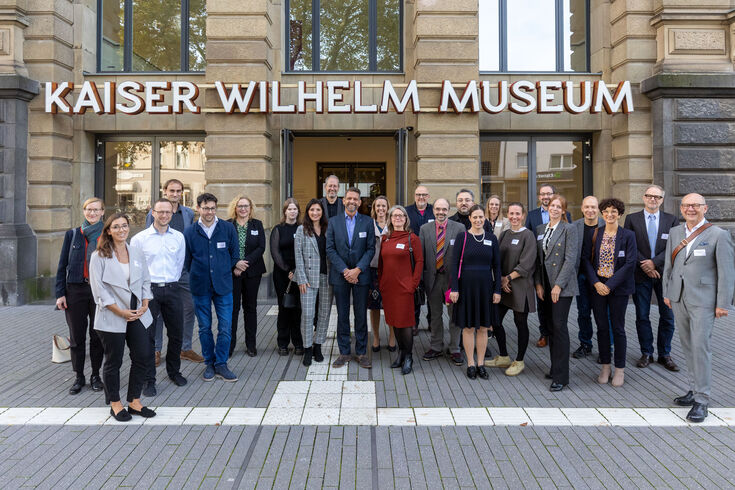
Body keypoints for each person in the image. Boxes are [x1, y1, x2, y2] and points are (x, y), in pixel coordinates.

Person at [663, 193, 735, 423]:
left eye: (695, 205)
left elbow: (727, 271)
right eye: (686, 205)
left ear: (705, 208)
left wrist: (723, 303)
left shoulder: (719, 235)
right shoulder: (676, 232)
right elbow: (669, 265)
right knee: (687, 346)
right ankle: (693, 390)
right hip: (679, 297)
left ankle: (702, 400)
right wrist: (667, 292)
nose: (690, 209)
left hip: (704, 300)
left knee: (700, 347)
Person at [88, 213, 155, 422]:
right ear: (108, 230)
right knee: (113, 360)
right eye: (116, 227)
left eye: (124, 226)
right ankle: (115, 403)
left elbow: (145, 279)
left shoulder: (135, 251)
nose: (121, 230)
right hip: (112, 314)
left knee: (143, 355)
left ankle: (134, 400)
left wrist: (145, 302)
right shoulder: (98, 256)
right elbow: (99, 290)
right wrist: (119, 311)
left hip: (137, 312)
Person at [130, 199, 187, 396]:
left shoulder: (178, 237)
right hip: (149, 292)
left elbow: (179, 264)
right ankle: (149, 379)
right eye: (160, 212)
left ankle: (174, 372)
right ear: (152, 213)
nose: (164, 216)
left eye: (168, 212)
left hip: (172, 289)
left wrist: (171, 282)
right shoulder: (139, 239)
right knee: (148, 337)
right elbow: (135, 268)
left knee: (176, 334)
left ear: (172, 214)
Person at [184, 193, 241, 382]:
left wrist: (222, 270)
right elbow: (186, 260)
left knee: (225, 327)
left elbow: (234, 255)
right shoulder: (190, 232)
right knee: (204, 328)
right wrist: (200, 273)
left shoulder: (227, 228)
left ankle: (221, 363)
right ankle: (209, 362)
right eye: (206, 208)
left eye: (213, 208)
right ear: (198, 208)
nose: (209, 212)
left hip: (223, 286)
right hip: (200, 287)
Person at [145, 179, 202, 364]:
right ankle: (156, 350)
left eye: (179, 191)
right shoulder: (153, 214)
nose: (175, 194)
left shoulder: (188, 213)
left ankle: (185, 348)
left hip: (184, 270)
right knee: (159, 312)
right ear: (165, 191)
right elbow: (149, 241)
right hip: (161, 272)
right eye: (172, 191)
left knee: (189, 307)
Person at [624, 185, 680, 371]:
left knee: (668, 316)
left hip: (665, 274)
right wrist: (645, 265)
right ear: (644, 197)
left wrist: (654, 263)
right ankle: (646, 352)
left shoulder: (671, 220)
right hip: (640, 274)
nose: (653, 199)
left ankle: (665, 354)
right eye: (649, 196)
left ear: (662, 200)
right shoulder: (632, 219)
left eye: (657, 197)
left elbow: (675, 246)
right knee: (642, 315)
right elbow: (629, 245)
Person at [583, 198, 637, 388]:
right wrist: (597, 283)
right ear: (602, 214)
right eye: (606, 211)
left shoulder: (628, 235)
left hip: (618, 288)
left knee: (618, 328)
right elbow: (586, 261)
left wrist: (610, 285)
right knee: (602, 327)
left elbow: (630, 263)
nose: (610, 214)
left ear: (620, 214)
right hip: (598, 287)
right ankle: (605, 366)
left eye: (614, 211)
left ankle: (620, 369)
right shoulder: (595, 233)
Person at [55, 197, 105, 395]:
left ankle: (95, 375)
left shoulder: (107, 235)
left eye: (96, 210)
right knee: (76, 337)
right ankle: (79, 376)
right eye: (88, 210)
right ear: (84, 211)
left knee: (97, 335)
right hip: (75, 291)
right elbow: (61, 266)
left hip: (99, 291)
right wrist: (60, 294)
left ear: (102, 212)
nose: (92, 213)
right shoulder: (73, 234)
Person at [449, 205, 501, 380]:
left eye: (481, 217)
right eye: (475, 217)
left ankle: (481, 364)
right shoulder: (462, 237)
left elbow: (497, 266)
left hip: (486, 287)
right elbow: (454, 264)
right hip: (466, 288)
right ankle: (470, 363)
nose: (478, 220)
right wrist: (454, 288)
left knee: (484, 328)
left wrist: (497, 290)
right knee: (469, 328)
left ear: (484, 218)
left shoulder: (492, 238)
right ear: (469, 218)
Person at [326, 187, 376, 369]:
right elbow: (330, 249)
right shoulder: (333, 222)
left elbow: (371, 248)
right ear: (343, 201)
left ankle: (362, 352)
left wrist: (357, 270)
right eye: (349, 198)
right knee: (342, 315)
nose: (352, 201)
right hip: (340, 276)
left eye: (356, 199)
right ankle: (344, 352)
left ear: (360, 202)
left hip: (361, 277)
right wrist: (346, 271)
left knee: (361, 315)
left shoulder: (367, 222)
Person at [485, 202, 537, 376]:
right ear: (507, 215)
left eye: (518, 214)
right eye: (511, 213)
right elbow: (497, 258)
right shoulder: (505, 234)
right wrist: (500, 279)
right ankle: (504, 356)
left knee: (520, 323)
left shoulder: (528, 236)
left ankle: (520, 360)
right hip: (503, 286)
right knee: (495, 321)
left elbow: (526, 264)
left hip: (520, 287)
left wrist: (507, 278)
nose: (514, 217)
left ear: (523, 215)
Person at [534, 194, 578, 392]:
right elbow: (538, 260)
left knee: (559, 328)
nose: (554, 209)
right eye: (552, 205)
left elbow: (570, 260)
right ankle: (554, 367)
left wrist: (558, 286)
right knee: (549, 328)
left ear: (564, 210)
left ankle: (562, 376)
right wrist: (538, 284)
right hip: (545, 285)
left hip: (562, 287)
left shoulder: (569, 229)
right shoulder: (541, 229)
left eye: (559, 206)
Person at [378, 205, 424, 375]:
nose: (398, 218)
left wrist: (413, 284)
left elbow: (419, 262)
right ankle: (401, 353)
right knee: (394, 322)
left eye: (401, 216)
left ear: (406, 219)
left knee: (405, 324)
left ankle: (409, 356)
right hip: (389, 289)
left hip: (405, 289)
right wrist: (382, 283)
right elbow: (381, 265)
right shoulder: (385, 239)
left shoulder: (413, 239)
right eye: (394, 216)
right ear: (390, 219)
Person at [419, 198, 465, 366]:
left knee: (455, 314)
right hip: (433, 279)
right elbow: (421, 256)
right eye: (438, 209)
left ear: (449, 209)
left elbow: (462, 256)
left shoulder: (459, 228)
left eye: (444, 209)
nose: (441, 212)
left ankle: (455, 348)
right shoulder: (424, 229)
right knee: (435, 315)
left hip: (452, 280)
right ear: (433, 210)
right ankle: (436, 346)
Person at [526, 184, 572, 348]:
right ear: (540, 197)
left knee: (558, 319)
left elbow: (570, 253)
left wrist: (559, 284)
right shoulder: (534, 219)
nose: (546, 197)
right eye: (543, 194)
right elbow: (532, 247)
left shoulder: (568, 223)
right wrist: (537, 281)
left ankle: (556, 339)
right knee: (543, 308)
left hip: (559, 274)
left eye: (549, 194)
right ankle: (544, 333)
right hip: (542, 273)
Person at [294, 199, 333, 366]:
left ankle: (318, 345)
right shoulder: (301, 230)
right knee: (308, 315)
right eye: (312, 210)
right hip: (308, 279)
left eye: (318, 210)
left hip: (327, 276)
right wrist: (301, 278)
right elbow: (298, 256)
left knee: (324, 314)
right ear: (308, 212)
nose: (315, 213)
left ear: (322, 212)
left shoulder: (328, 229)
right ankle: (307, 347)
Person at [227, 195, 266, 358]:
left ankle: (251, 345)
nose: (243, 209)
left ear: (251, 208)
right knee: (233, 309)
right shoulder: (227, 225)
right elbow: (224, 248)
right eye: (240, 206)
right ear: (235, 208)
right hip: (233, 273)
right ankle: (230, 345)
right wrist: (235, 264)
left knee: (250, 308)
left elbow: (261, 247)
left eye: (246, 206)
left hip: (252, 272)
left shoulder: (257, 224)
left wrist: (244, 263)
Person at [571, 196, 604, 360]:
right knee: (583, 312)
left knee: (604, 314)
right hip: (581, 277)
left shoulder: (607, 225)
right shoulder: (574, 227)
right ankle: (585, 344)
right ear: (582, 209)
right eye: (587, 207)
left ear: (598, 209)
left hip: (602, 278)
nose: (590, 210)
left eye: (593, 207)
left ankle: (606, 347)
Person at [270, 198, 304, 356]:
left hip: (300, 274)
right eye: (289, 209)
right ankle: (282, 342)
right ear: (285, 211)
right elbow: (275, 253)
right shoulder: (278, 229)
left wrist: (296, 271)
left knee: (297, 309)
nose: (292, 211)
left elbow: (306, 251)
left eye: (295, 209)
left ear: (298, 211)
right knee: (284, 308)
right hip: (282, 275)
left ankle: (298, 342)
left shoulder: (303, 229)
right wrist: (287, 271)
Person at [405, 186, 435, 333]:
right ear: (414, 195)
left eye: (424, 194)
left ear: (428, 196)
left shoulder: (434, 211)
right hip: (412, 258)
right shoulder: (407, 211)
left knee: (431, 291)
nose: (421, 197)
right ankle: (414, 323)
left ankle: (431, 322)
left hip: (431, 257)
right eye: (418, 194)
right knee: (415, 291)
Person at [368, 196, 395, 352]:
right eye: (378, 206)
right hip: (372, 270)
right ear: (374, 208)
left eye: (383, 206)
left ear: (388, 207)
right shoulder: (368, 225)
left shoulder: (393, 226)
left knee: (390, 305)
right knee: (374, 306)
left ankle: (392, 337)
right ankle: (376, 337)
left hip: (389, 271)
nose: (381, 209)